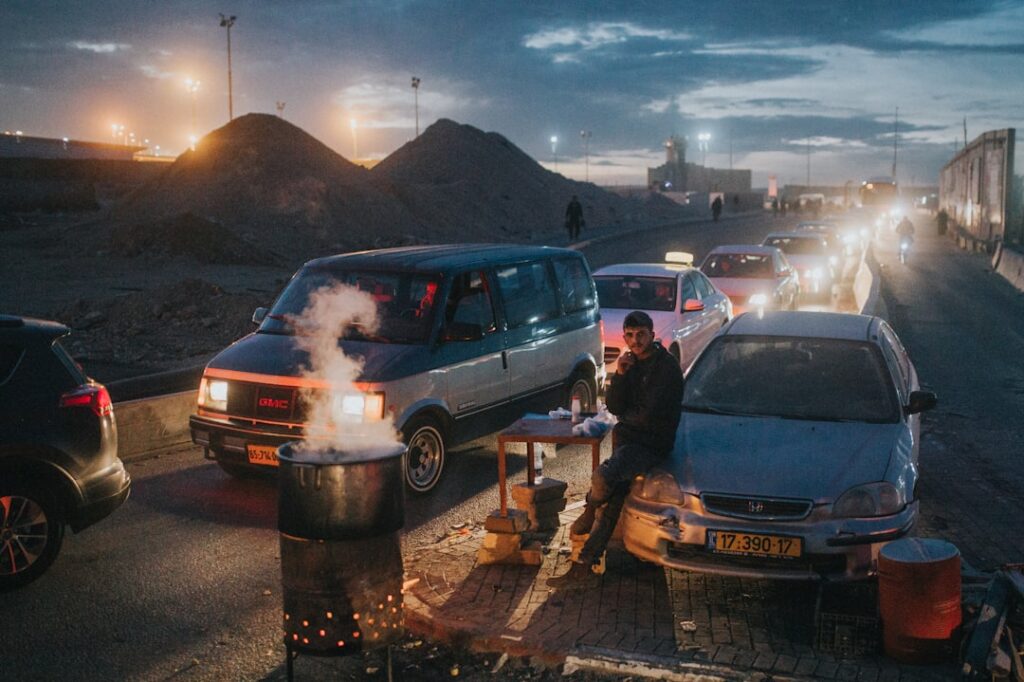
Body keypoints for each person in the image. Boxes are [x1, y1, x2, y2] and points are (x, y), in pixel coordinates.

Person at [547, 310, 684, 589]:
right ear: (625, 337)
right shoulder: (630, 364)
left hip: (651, 444)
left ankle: (588, 506)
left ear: (652, 334)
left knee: (603, 478)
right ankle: (583, 567)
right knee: (612, 505)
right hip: (628, 441)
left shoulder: (666, 367)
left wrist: (627, 417)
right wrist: (620, 375)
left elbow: (648, 415)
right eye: (630, 336)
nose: (636, 341)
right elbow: (614, 407)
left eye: (641, 335)